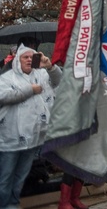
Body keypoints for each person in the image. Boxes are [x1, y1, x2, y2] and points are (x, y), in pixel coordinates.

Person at [0, 45, 62, 209]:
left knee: (20, 176)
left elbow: (59, 81)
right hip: (10, 139)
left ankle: (12, 204)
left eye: (31, 57)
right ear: (17, 61)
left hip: (33, 138)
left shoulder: (42, 74)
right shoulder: (8, 78)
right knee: (6, 175)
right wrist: (30, 89)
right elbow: (3, 96)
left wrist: (50, 67)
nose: (29, 59)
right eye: (24, 57)